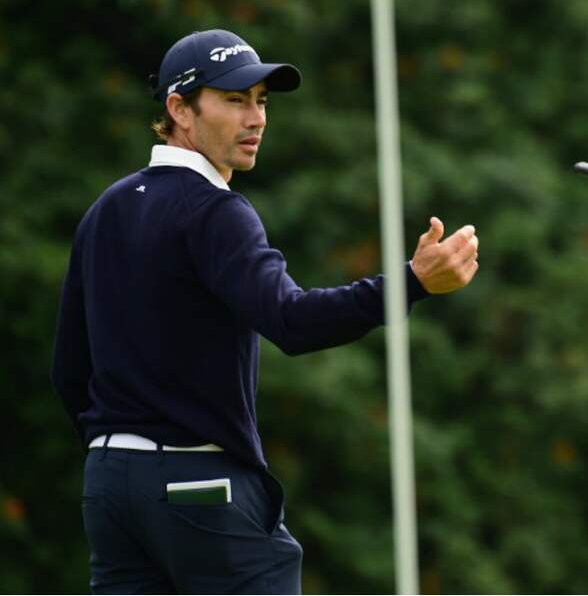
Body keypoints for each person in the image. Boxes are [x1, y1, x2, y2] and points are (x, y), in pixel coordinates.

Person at [50, 29, 479, 594]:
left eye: (261, 101)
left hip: (107, 487)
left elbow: (69, 371)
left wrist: (127, 463)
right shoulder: (215, 212)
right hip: (197, 485)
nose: (256, 119)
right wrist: (411, 284)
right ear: (179, 108)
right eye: (234, 100)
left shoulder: (103, 210)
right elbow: (292, 322)